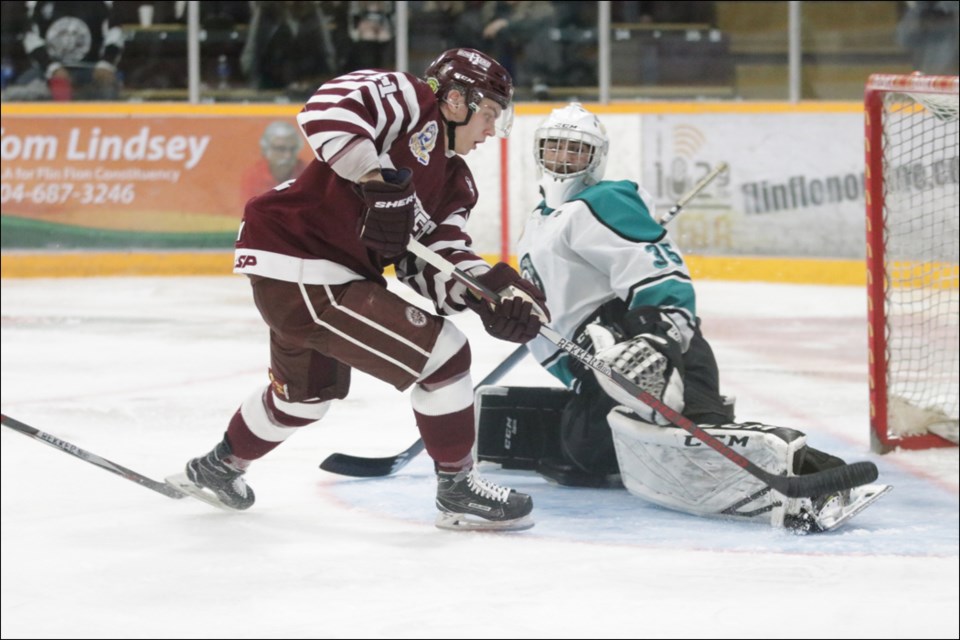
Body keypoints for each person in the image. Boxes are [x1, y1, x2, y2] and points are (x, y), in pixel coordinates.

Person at [168, 48, 550, 532]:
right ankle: (457, 490)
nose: (492, 131)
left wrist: (487, 293)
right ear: (456, 100)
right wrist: (374, 177)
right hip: (304, 262)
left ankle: (218, 468)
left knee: (303, 399)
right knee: (446, 356)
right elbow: (325, 109)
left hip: (316, 276)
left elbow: (430, 260)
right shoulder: (412, 101)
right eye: (489, 115)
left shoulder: (456, 184)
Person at [474, 103, 889, 534]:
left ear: (595, 158)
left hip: (649, 355)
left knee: (689, 441)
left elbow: (660, 273)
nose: (562, 158)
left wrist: (658, 340)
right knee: (585, 449)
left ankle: (819, 476)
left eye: (575, 150)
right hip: (597, 369)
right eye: (553, 147)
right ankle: (690, 423)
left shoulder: (601, 200)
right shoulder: (538, 222)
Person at [17, 0, 124, 101]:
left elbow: (115, 35)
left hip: (91, 68)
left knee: (108, 88)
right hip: (47, 70)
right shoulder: (37, 3)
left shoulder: (104, 3)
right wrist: (53, 69)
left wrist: (105, 65)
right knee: (19, 92)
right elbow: (31, 40)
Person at [240, 121, 308, 204]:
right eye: (280, 149)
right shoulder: (254, 177)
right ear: (265, 149)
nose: (288, 155)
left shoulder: (307, 174)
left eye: (293, 149)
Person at [895, 1, 960, 75]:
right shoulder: (920, 8)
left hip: (950, 77)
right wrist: (919, 16)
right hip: (925, 75)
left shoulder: (953, 8)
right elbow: (903, 40)